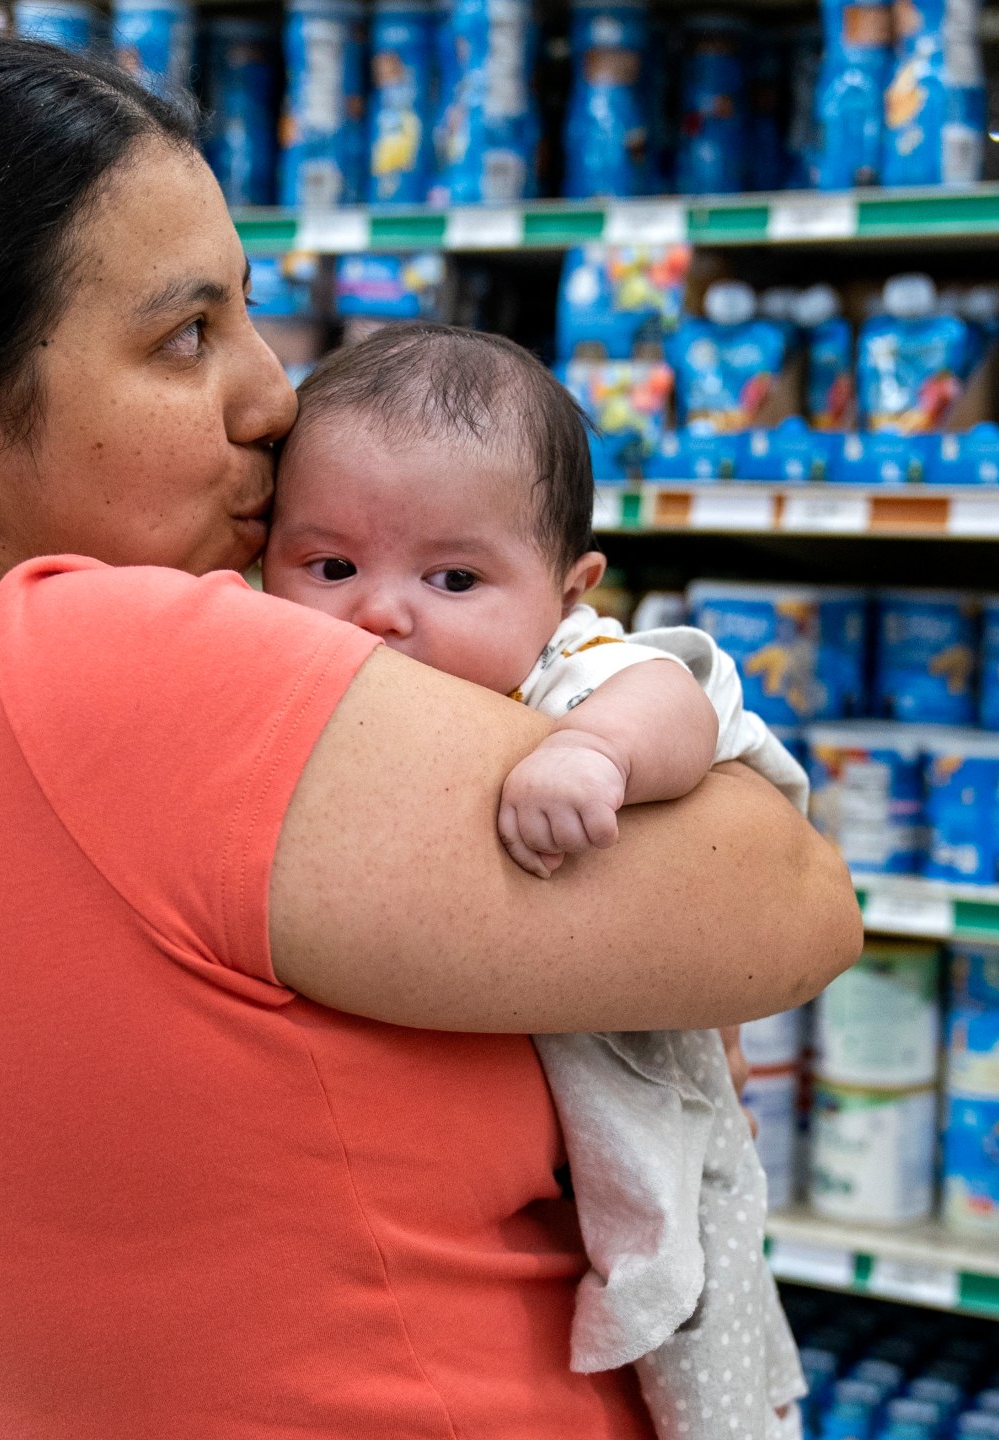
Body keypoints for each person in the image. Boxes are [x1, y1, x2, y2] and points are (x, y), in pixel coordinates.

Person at [0, 33, 860, 1439]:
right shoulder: (84, 665)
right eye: (185, 339)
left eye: (252, 309)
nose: (274, 394)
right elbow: (784, 899)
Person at [265, 323, 808, 1439]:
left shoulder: (568, 672)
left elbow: (679, 693)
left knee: (693, 1300)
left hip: (635, 1070)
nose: (381, 611)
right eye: (328, 567)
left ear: (569, 591)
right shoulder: (279, 670)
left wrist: (593, 754)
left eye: (453, 577)